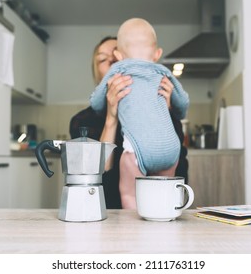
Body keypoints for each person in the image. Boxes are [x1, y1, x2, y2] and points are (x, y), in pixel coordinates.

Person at [69, 35, 188, 209]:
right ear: (97, 73)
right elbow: (90, 185)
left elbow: (180, 177)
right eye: (103, 59)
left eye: (117, 56)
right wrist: (111, 119)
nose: (112, 62)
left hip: (156, 214)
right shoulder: (82, 121)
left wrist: (164, 112)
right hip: (106, 216)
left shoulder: (162, 111)